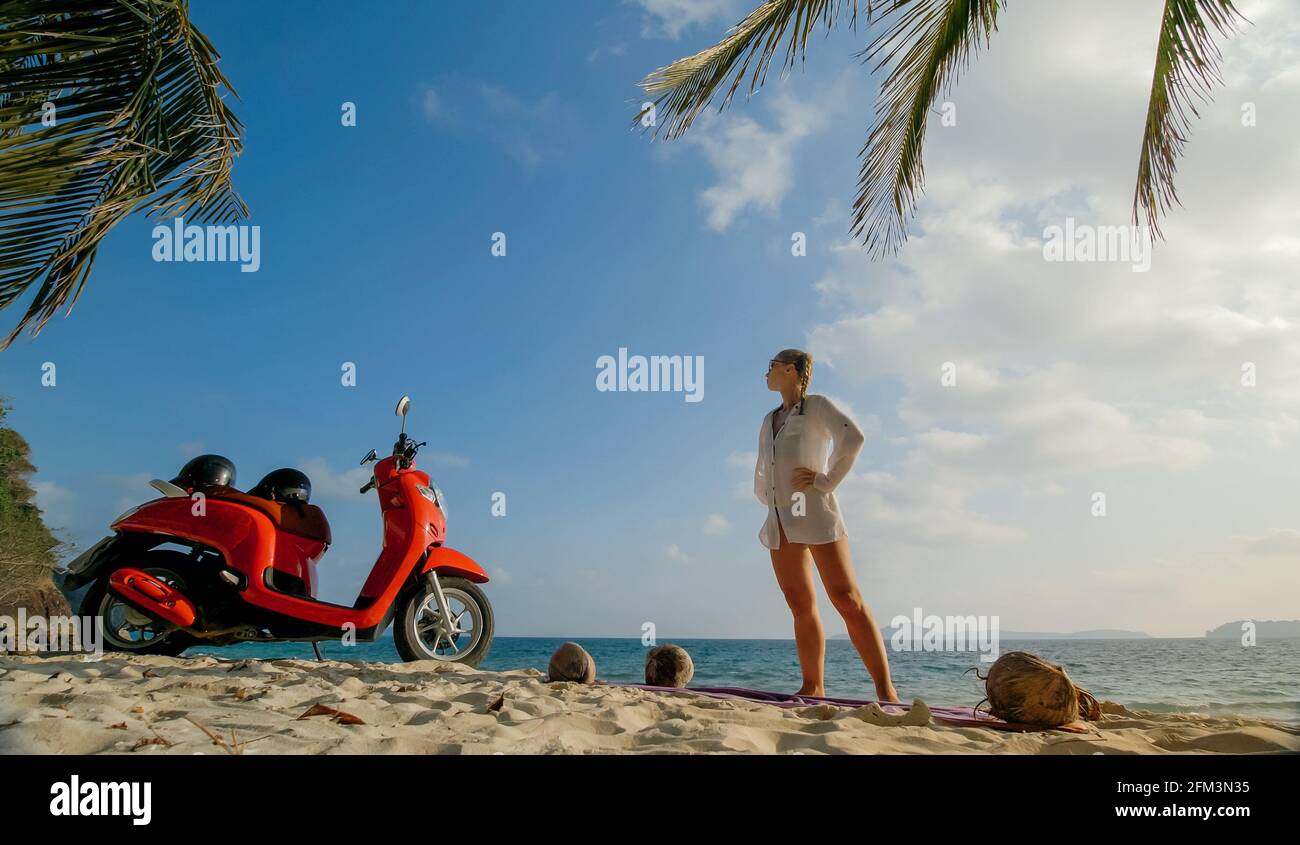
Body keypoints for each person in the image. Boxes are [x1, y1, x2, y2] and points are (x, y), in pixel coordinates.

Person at [756, 348, 900, 703]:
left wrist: (826, 479)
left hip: (816, 511)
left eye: (771, 366)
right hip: (781, 518)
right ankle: (813, 687)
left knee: (846, 599)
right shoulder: (769, 418)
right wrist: (770, 499)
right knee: (799, 604)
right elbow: (765, 467)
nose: (766, 373)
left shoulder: (816, 407)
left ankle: (886, 691)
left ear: (791, 370)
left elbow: (854, 436)